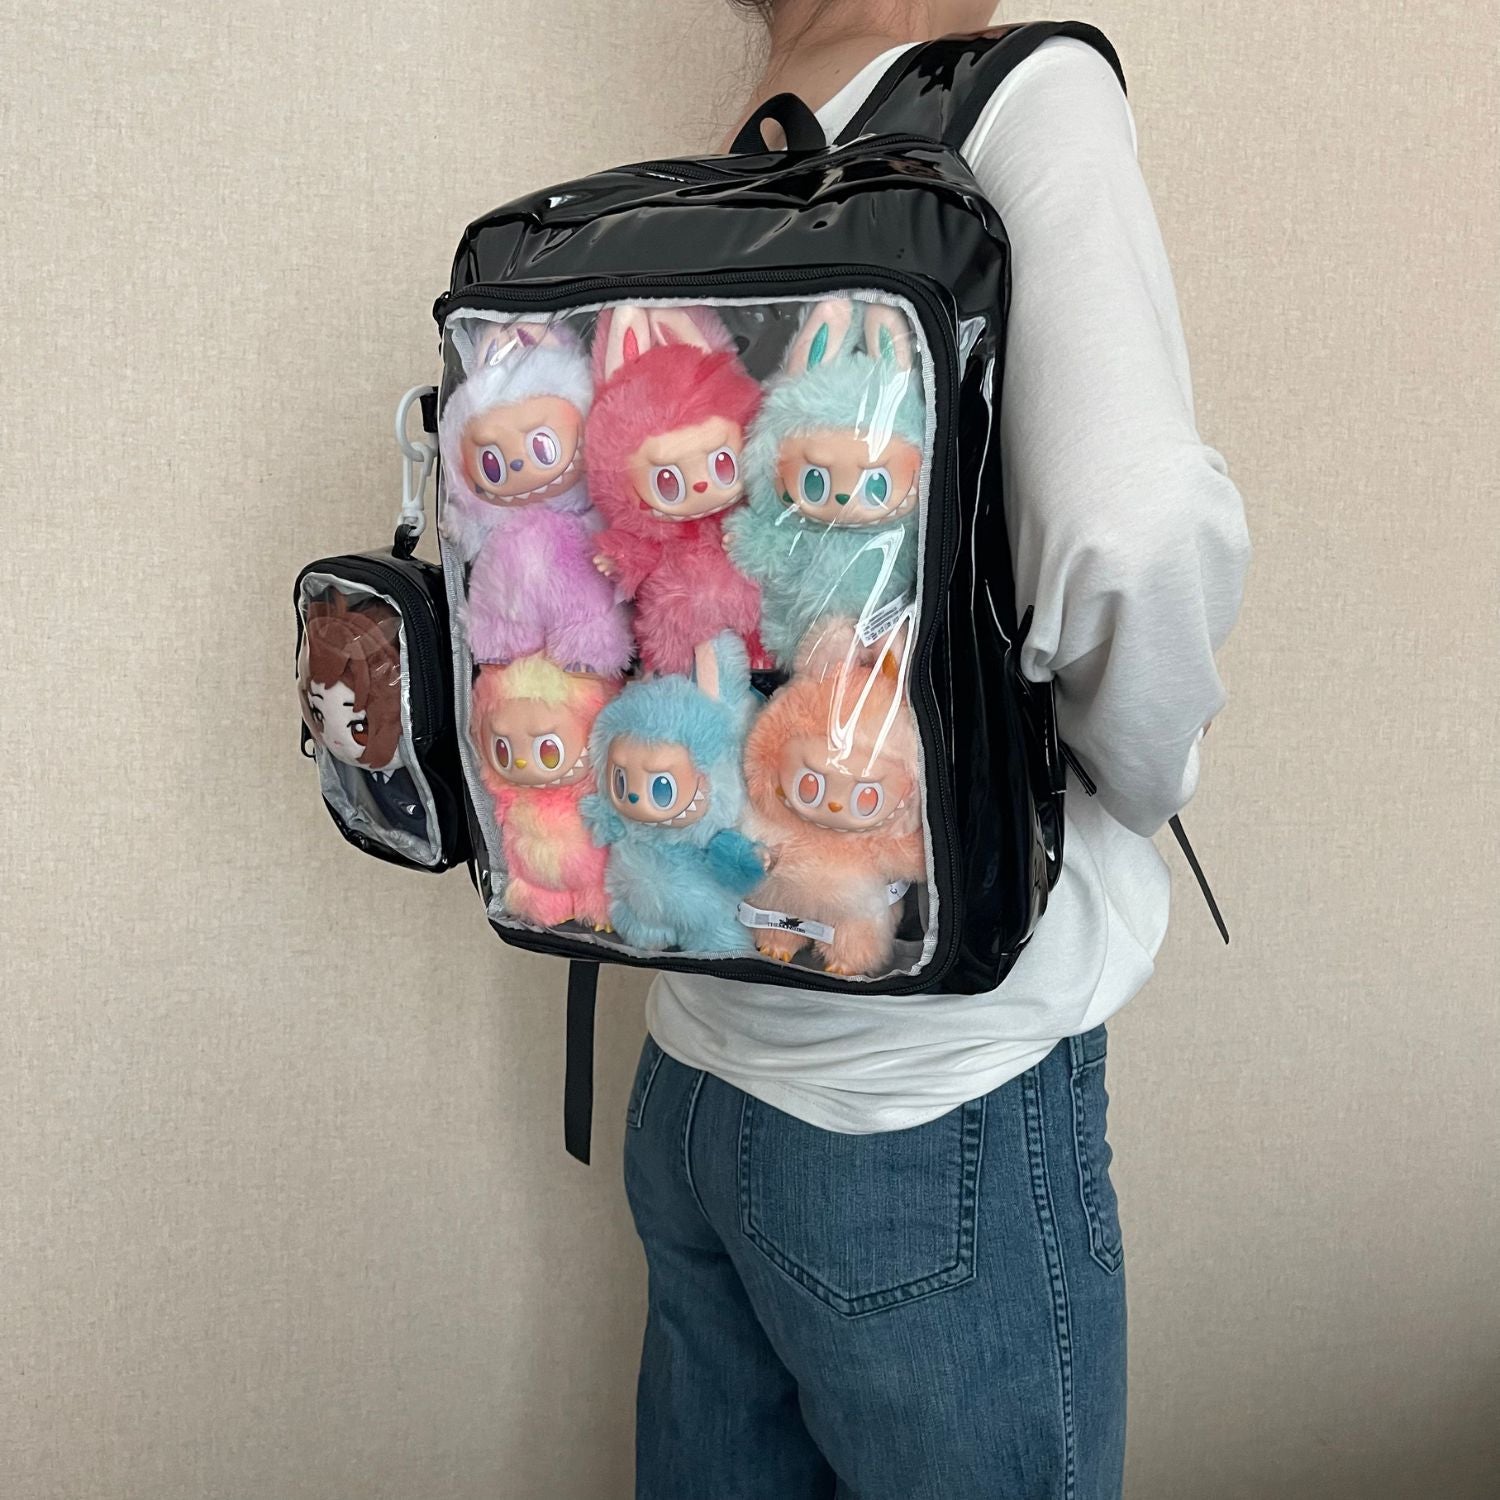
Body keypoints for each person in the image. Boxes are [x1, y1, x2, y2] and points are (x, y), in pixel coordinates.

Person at [623, 3, 1252, 1496]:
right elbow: (1135, 525)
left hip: (698, 1068)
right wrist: (1135, 777)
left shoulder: (738, 141)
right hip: (928, 1113)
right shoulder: (1019, 100)